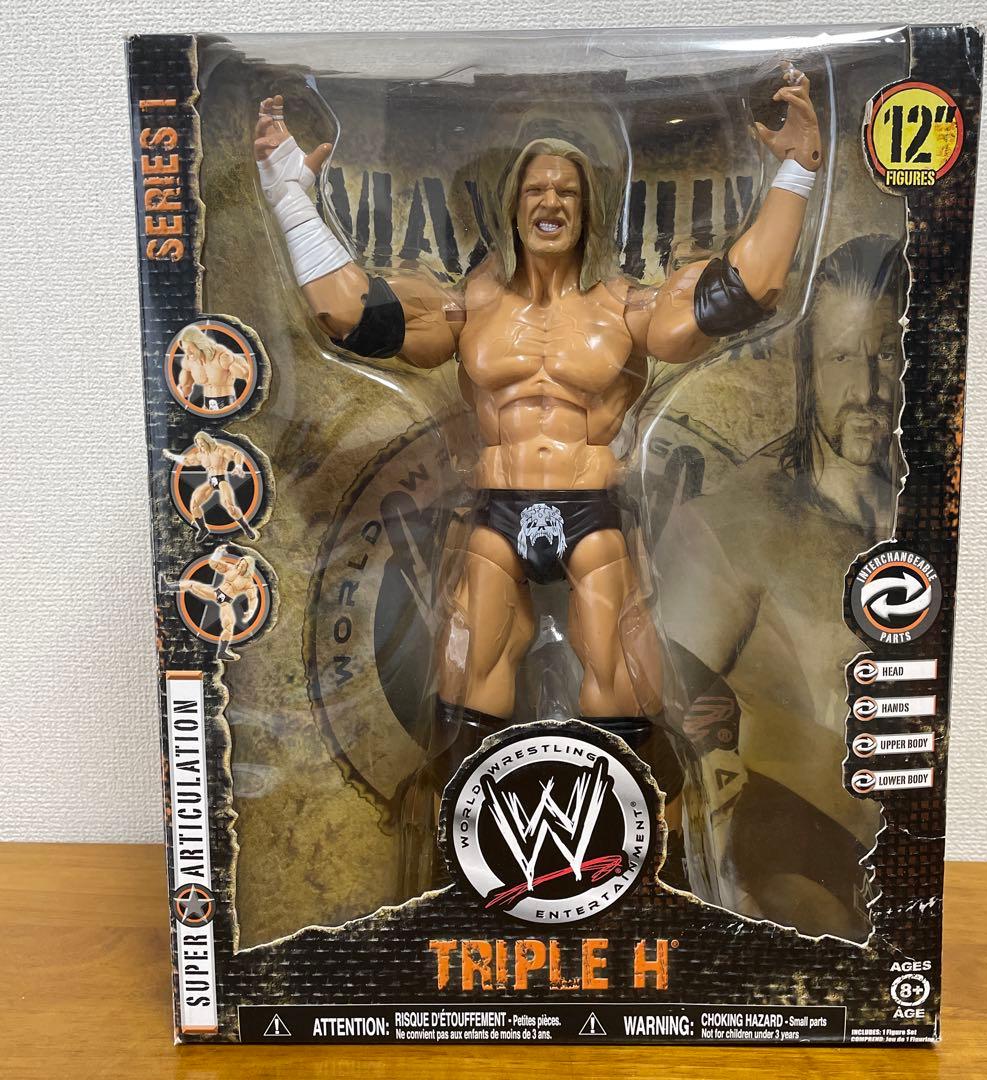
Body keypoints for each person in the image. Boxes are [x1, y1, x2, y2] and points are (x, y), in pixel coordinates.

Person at [254, 68, 822, 770]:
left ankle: (636, 827)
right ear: (514, 207)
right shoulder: (469, 307)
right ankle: (466, 823)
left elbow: (743, 290)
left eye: (567, 192)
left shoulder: (625, 308)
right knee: (470, 662)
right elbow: (350, 314)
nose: (551, 201)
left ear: (587, 209)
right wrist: (289, 195)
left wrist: (796, 172)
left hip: (592, 507)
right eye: (536, 190)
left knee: (619, 666)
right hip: (498, 505)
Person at [657, 234, 906, 938]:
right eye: (841, 357)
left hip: (912, 866)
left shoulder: (935, 522)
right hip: (790, 862)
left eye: (887, 353)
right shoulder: (733, 529)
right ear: (806, 367)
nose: (868, 387)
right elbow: (658, 729)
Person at [162, 546, 261, 661]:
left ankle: (222, 652)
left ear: (248, 568)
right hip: (215, 593)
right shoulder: (231, 568)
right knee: (191, 585)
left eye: (243, 566)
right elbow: (214, 564)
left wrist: (251, 611)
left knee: (229, 626)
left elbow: (253, 598)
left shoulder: (248, 583)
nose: (239, 566)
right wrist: (218, 553)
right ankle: (167, 587)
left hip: (225, 602)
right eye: (239, 563)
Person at [165, 431, 258, 540]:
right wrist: (171, 456)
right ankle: (203, 529)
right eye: (198, 444)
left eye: (202, 444)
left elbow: (237, 454)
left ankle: (246, 528)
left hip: (221, 480)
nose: (201, 446)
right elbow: (187, 461)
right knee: (194, 504)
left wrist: (238, 466)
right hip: (211, 481)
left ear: (207, 441)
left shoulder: (219, 450)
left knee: (230, 507)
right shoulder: (201, 455)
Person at [175, 325, 252, 411]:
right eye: (185, 349)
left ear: (199, 344)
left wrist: (248, 405)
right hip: (206, 406)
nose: (188, 353)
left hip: (227, 404)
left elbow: (247, 374)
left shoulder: (220, 355)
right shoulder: (188, 361)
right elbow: (184, 388)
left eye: (190, 348)